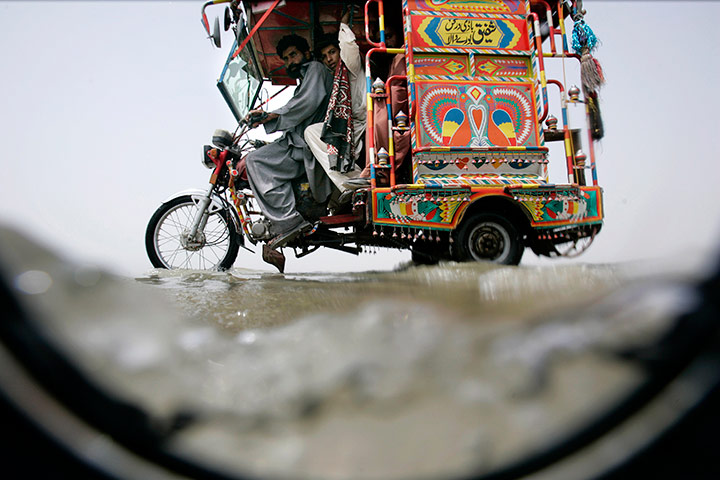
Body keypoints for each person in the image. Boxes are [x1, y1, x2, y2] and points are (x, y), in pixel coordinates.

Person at [244, 34, 333, 250]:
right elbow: (297, 111)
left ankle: (287, 221)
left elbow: (304, 105)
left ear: (307, 53)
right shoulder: (304, 81)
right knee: (259, 155)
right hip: (298, 143)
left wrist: (269, 116)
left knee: (254, 162)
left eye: (293, 55)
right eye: (285, 58)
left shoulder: (316, 70)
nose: (289, 62)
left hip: (306, 146)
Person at [304, 8, 366, 200]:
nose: (329, 59)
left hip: (362, 123)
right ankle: (349, 182)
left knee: (313, 132)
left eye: (332, 52)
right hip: (352, 126)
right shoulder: (338, 79)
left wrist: (344, 24)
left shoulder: (351, 67)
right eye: (324, 56)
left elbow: (349, 46)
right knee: (312, 132)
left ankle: (355, 180)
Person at [344, 15, 411, 189]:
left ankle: (379, 172)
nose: (386, 42)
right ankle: (373, 170)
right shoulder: (392, 59)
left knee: (380, 119)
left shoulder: (402, 54)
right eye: (383, 38)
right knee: (375, 117)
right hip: (394, 107)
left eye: (389, 36)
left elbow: (398, 92)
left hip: (400, 110)